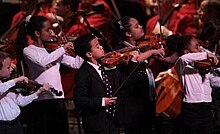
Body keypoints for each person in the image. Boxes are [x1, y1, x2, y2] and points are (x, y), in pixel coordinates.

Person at [14, 15, 84, 134]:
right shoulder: (29, 50)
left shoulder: (53, 49)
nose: (52, 33)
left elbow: (76, 64)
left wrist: (82, 49)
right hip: (43, 100)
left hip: (58, 99)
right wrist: (62, 49)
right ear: (37, 33)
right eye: (47, 30)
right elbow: (42, 61)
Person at [110, 16, 165, 134]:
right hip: (133, 103)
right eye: (137, 26)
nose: (141, 27)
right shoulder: (121, 49)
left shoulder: (141, 46)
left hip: (145, 101)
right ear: (128, 33)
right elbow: (136, 60)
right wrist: (151, 52)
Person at [73, 34, 121, 134]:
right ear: (89, 54)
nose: (102, 47)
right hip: (96, 125)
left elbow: (120, 83)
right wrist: (102, 102)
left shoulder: (105, 66)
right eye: (97, 46)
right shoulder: (83, 73)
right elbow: (79, 100)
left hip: (112, 123)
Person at [174, 35, 219, 134]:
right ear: (186, 51)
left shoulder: (205, 66)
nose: (201, 50)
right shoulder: (182, 66)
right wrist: (206, 55)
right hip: (191, 108)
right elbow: (183, 58)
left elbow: (214, 81)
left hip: (207, 108)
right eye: (197, 47)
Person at [0, 51, 49, 134]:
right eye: (8, 67)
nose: (11, 69)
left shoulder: (7, 85)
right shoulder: (5, 86)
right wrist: (16, 80)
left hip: (16, 125)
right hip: (3, 127)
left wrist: (38, 92)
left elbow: (21, 102)